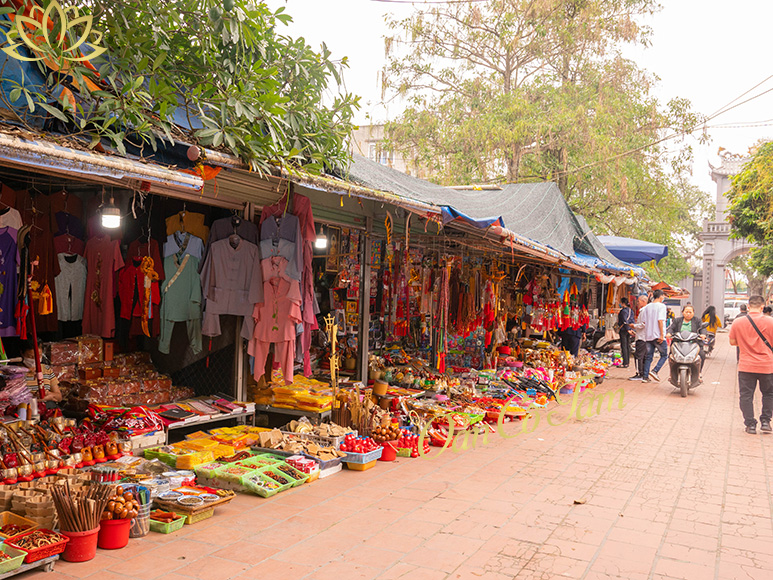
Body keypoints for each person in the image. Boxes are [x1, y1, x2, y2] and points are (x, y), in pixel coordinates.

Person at [729, 295, 773, 434]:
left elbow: (732, 342)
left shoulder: (738, 322)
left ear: (748, 306)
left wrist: (745, 344)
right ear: (762, 307)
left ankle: (750, 424)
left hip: (746, 365)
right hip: (767, 365)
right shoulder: (771, 322)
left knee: (746, 395)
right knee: (768, 394)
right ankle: (765, 422)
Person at [666, 305, 707, 380]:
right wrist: (669, 333)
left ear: (693, 313)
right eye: (686, 312)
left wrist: (703, 334)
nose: (688, 314)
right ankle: (672, 373)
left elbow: (702, 328)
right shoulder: (677, 320)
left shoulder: (697, 320)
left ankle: (699, 372)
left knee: (702, 354)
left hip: (693, 343)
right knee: (671, 355)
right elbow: (671, 328)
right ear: (682, 312)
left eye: (690, 312)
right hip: (679, 343)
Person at [641, 289, 668, 383]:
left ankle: (645, 377)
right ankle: (655, 371)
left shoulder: (647, 307)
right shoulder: (662, 306)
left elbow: (644, 321)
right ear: (660, 296)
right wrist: (662, 335)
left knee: (649, 356)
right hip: (658, 335)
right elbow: (660, 320)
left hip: (648, 335)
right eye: (663, 296)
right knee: (664, 355)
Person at [629, 294, 649, 381]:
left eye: (638, 301)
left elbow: (643, 324)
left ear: (643, 301)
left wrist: (634, 326)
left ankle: (639, 373)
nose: (637, 303)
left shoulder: (644, 311)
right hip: (643, 336)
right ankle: (643, 373)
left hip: (642, 337)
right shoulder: (646, 310)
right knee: (643, 356)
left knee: (638, 356)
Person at [617, 297, 635, 368]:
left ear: (623, 303)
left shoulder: (623, 311)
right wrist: (631, 329)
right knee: (627, 345)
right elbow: (632, 320)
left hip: (624, 330)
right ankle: (627, 362)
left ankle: (625, 363)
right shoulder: (631, 310)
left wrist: (627, 329)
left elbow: (624, 321)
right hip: (629, 329)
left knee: (624, 346)